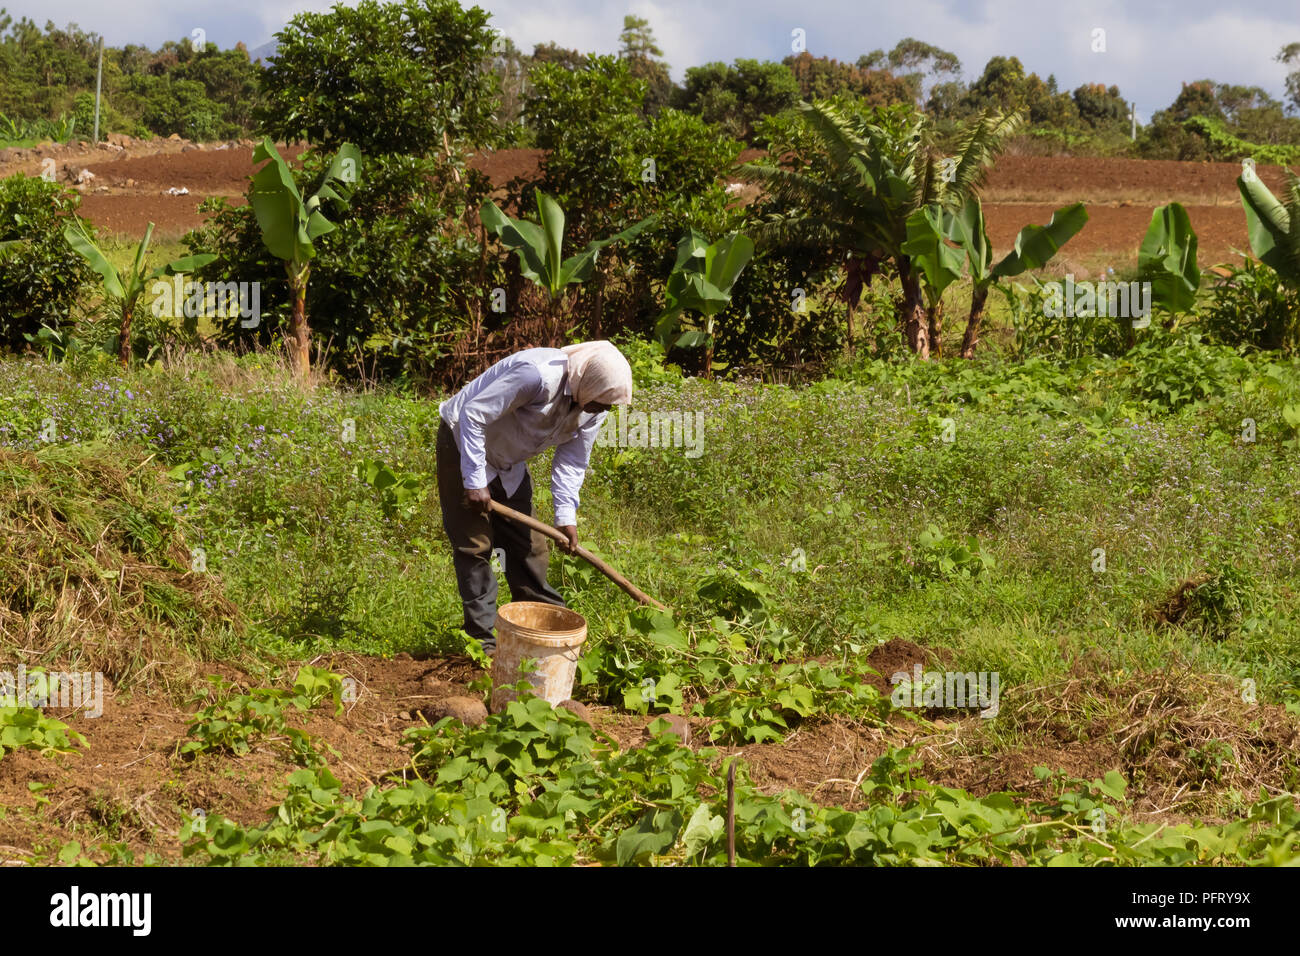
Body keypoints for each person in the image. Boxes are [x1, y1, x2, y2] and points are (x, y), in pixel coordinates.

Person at [436, 341, 633, 653]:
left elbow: (572, 461)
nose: (602, 411)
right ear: (588, 382)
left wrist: (565, 519)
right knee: (475, 546)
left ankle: (546, 638)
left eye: (608, 407)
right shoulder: (537, 376)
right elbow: (473, 414)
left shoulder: (595, 404)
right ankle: (483, 645)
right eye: (601, 404)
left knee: (530, 547)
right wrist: (474, 482)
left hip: (509, 462)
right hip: (463, 443)